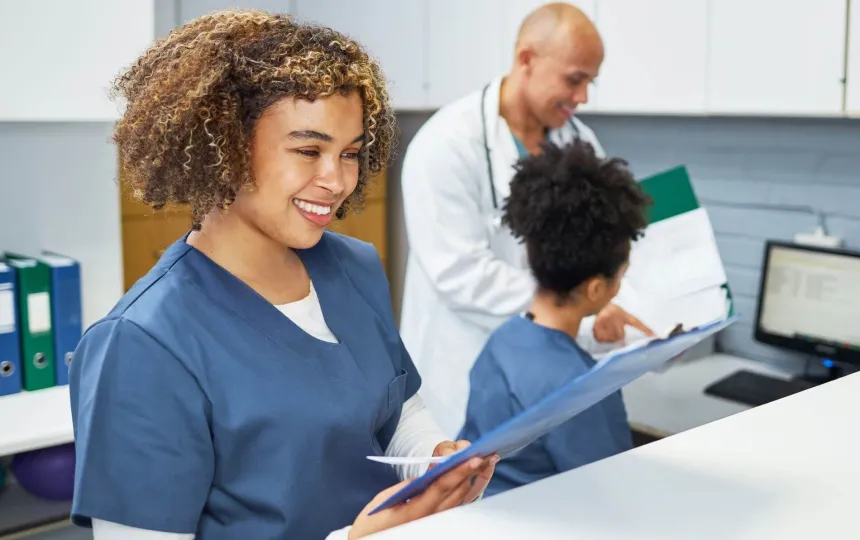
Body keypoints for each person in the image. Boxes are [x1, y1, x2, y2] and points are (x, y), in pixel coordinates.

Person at [67, 10, 497, 540]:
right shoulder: (143, 345)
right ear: (223, 146)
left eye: (350, 154)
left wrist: (434, 462)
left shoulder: (353, 268)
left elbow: (396, 414)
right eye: (308, 151)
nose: (336, 180)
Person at [399, 2, 653, 438]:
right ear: (526, 60)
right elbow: (461, 275)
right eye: (575, 79)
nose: (583, 97)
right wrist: (579, 308)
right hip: (461, 370)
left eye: (590, 82)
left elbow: (602, 245)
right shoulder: (447, 144)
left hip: (552, 368)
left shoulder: (580, 142)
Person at [457, 139, 651, 496]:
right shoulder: (583, 388)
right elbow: (613, 495)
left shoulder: (501, 342)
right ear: (596, 289)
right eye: (621, 274)